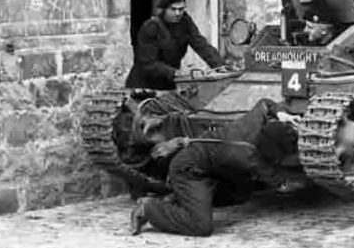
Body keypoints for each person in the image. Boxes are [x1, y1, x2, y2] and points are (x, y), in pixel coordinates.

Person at [129, 98, 304, 237]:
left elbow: (264, 103)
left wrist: (282, 114)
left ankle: (179, 199)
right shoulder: (247, 154)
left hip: (211, 165)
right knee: (200, 226)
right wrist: (294, 181)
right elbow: (281, 182)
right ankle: (149, 208)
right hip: (189, 170)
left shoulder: (254, 123)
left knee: (242, 192)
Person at [125, 0, 226, 91]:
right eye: (173, 9)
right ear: (164, 9)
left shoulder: (185, 22)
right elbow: (148, 63)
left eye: (181, 9)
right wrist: (176, 73)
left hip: (167, 83)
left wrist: (219, 65)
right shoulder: (151, 27)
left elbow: (200, 43)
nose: (178, 13)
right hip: (144, 85)